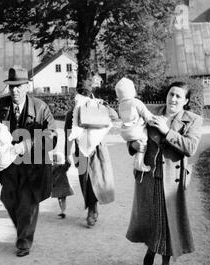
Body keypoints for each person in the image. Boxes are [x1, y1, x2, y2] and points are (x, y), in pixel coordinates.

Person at [126, 81, 203, 265]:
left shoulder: (194, 120)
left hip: (172, 179)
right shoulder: (150, 112)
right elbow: (132, 132)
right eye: (171, 94)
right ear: (166, 96)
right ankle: (152, 247)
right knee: (151, 216)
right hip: (148, 175)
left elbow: (191, 147)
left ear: (185, 101)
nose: (173, 99)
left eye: (179, 96)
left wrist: (166, 131)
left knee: (169, 222)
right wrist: (133, 144)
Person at [0, 67, 57, 257]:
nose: (14, 91)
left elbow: (51, 136)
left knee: (28, 204)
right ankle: (23, 229)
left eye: (19, 86)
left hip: (33, 166)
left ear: (27, 86)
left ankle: (24, 242)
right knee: (8, 199)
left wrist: (26, 144)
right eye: (11, 87)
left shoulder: (40, 107)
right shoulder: (1, 105)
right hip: (10, 166)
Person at [65, 82, 116, 228]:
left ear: (91, 93)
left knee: (96, 179)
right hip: (80, 152)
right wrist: (66, 155)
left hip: (98, 151)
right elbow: (68, 133)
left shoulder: (99, 107)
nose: (84, 96)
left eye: (87, 93)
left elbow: (115, 116)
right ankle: (91, 206)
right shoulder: (72, 113)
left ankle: (92, 209)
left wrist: (103, 105)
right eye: (81, 92)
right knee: (84, 181)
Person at [115, 77, 154, 172]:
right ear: (132, 91)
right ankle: (139, 162)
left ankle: (137, 159)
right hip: (135, 131)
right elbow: (146, 114)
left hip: (125, 132)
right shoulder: (135, 102)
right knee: (143, 140)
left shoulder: (120, 105)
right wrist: (152, 121)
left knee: (138, 139)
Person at [51, 152, 73, 219]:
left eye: (55, 160)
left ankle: (63, 211)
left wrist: (67, 158)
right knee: (60, 200)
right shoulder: (53, 168)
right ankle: (62, 211)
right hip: (58, 187)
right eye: (53, 161)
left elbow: (68, 164)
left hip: (62, 187)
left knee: (62, 199)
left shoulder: (62, 167)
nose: (54, 162)